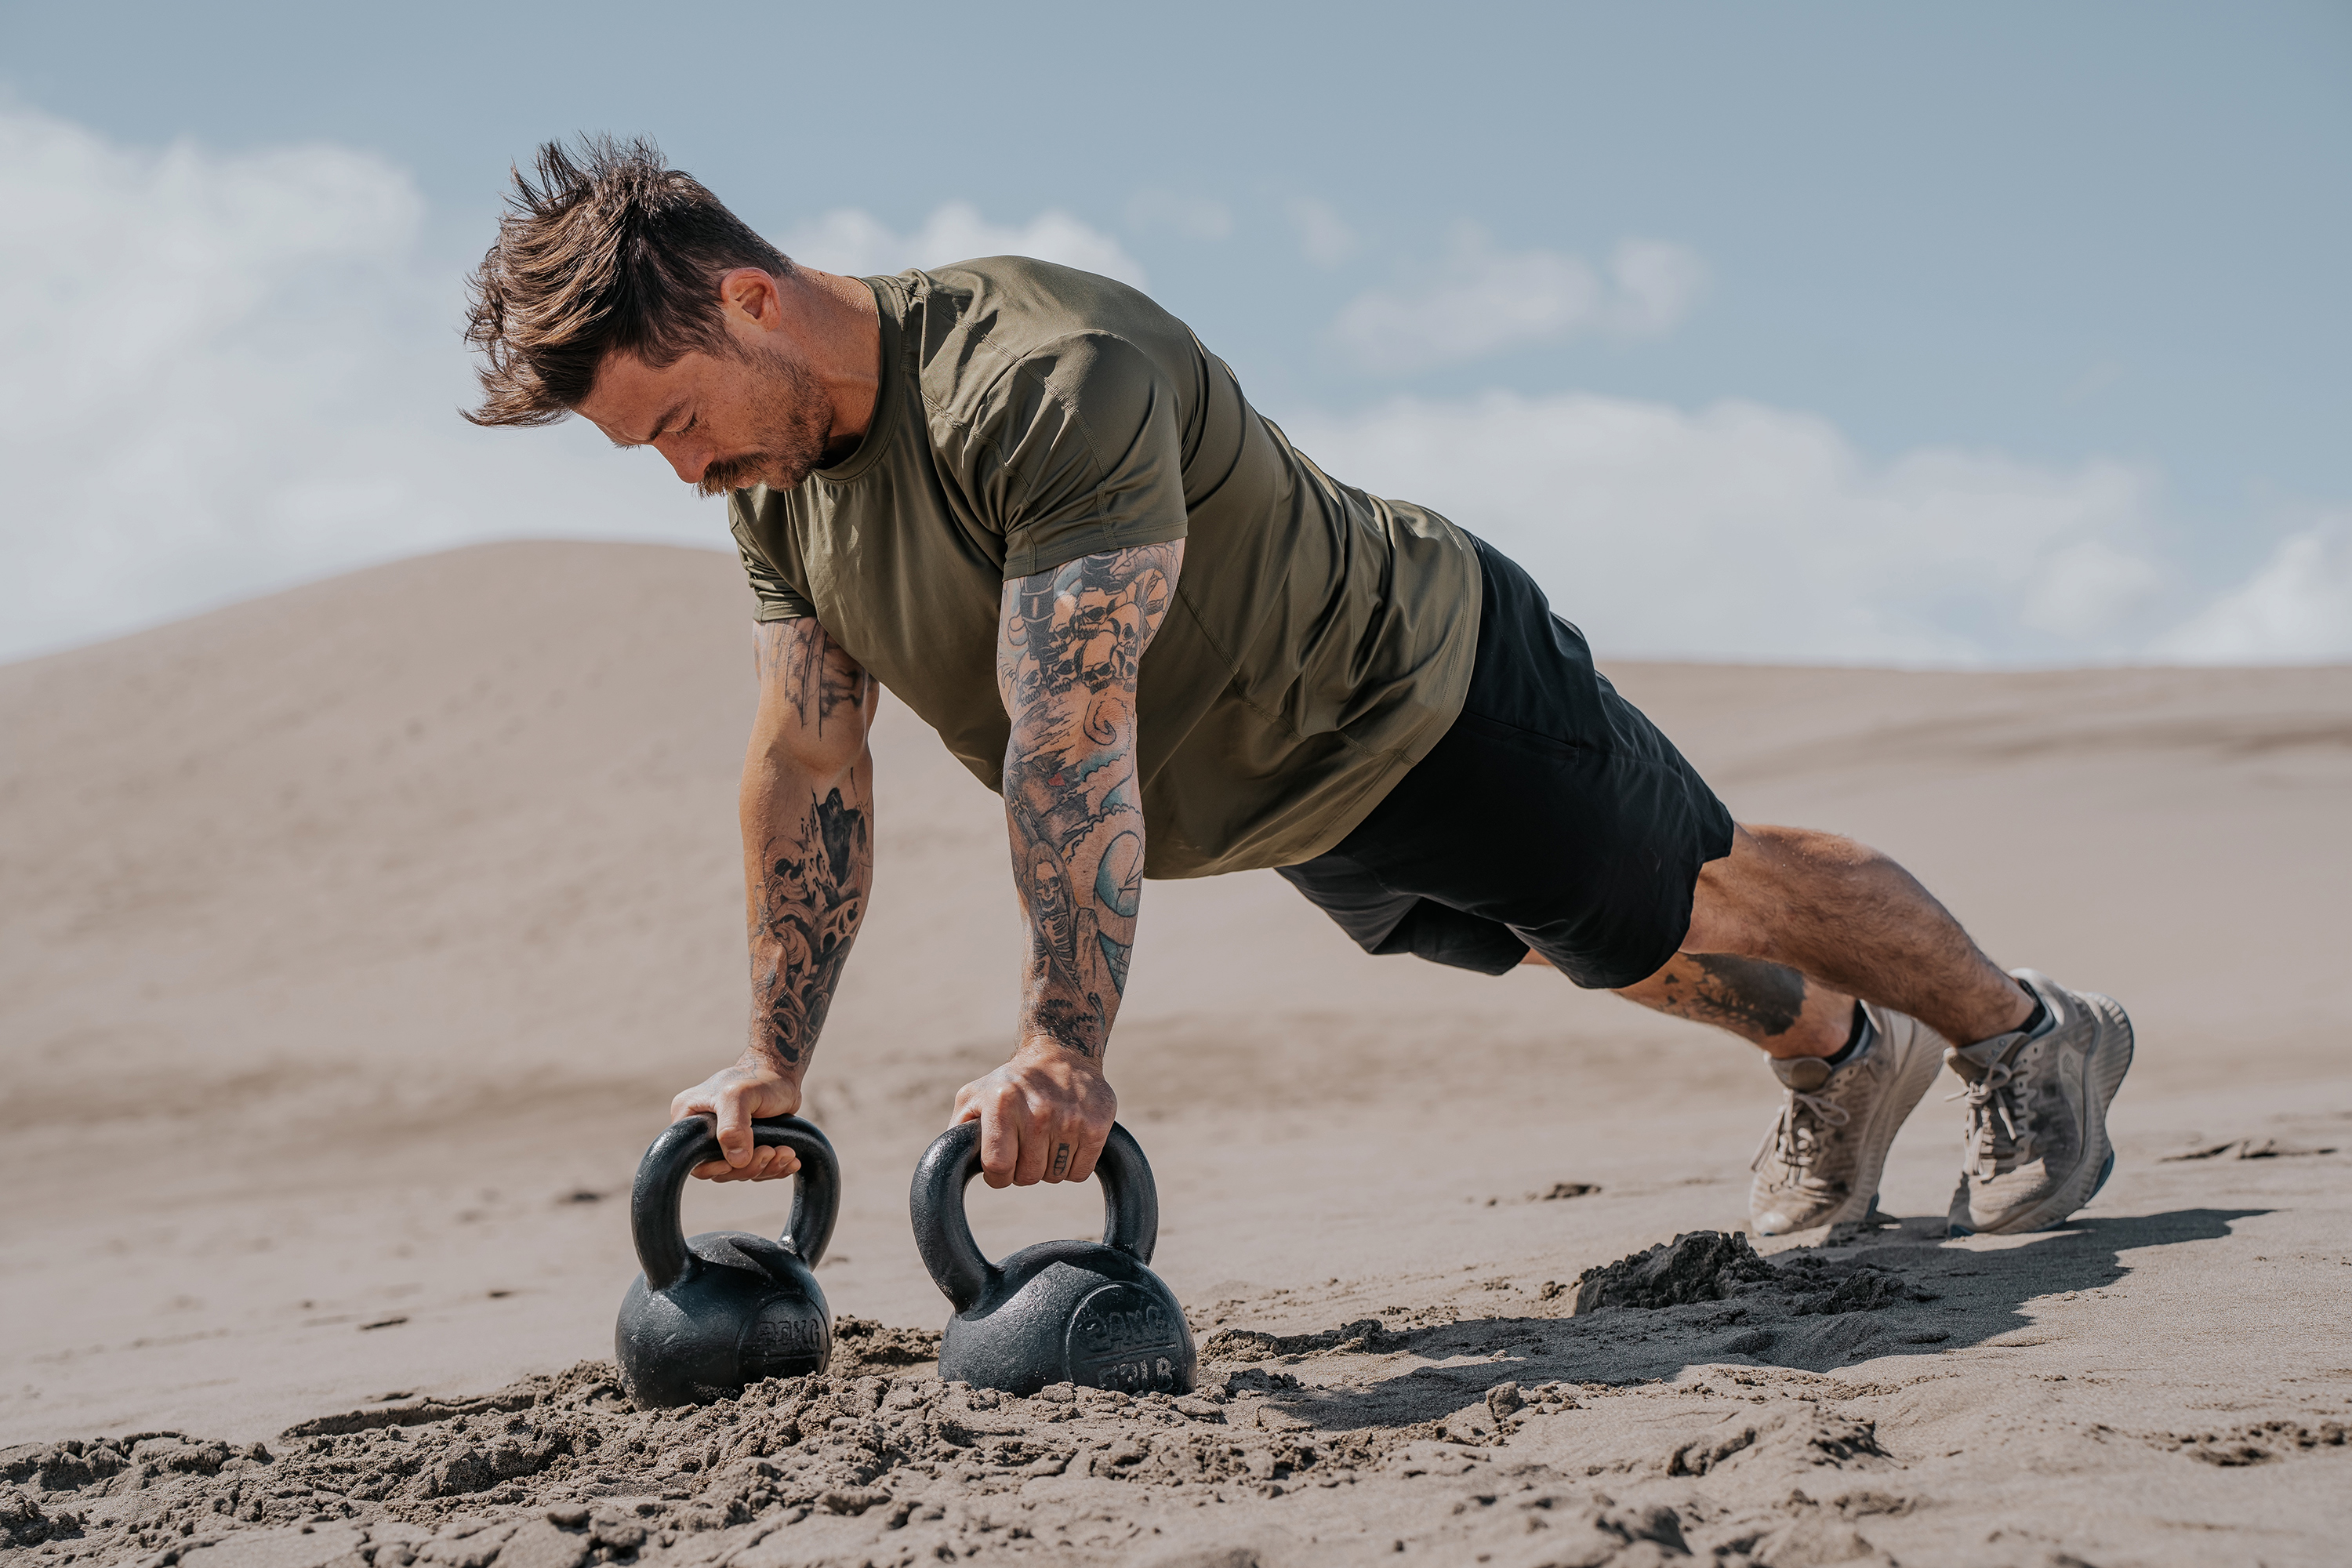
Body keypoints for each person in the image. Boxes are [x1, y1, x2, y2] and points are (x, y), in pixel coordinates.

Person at [463, 138, 2133, 1239]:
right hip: (1278, 796)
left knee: (1698, 883)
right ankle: (1847, 1056)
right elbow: (807, 756)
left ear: (751, 301)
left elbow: (1072, 720)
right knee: (1594, 942)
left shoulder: (1040, 375)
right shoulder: (778, 487)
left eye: (678, 421)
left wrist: (1060, 1039)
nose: (687, 477)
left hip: (1419, 676)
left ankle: (2028, 1032)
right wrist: (771, 1059)